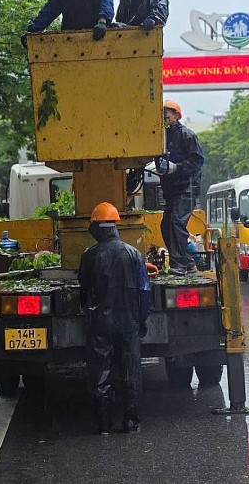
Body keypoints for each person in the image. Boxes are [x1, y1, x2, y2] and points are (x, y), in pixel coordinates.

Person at [78, 202, 151, 435]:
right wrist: (142, 319)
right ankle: (131, 422)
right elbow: (144, 290)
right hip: (129, 323)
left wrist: (87, 313)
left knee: (100, 374)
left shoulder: (90, 256)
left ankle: (103, 425)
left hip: (100, 324)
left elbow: (83, 288)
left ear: (97, 227)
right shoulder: (134, 254)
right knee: (131, 372)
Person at [156, 100, 205, 275]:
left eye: (167, 114)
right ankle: (189, 263)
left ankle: (179, 265)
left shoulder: (187, 135)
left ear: (176, 115)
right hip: (172, 189)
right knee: (166, 225)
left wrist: (177, 168)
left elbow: (197, 160)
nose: (164, 117)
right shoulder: (161, 137)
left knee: (176, 222)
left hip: (187, 188)